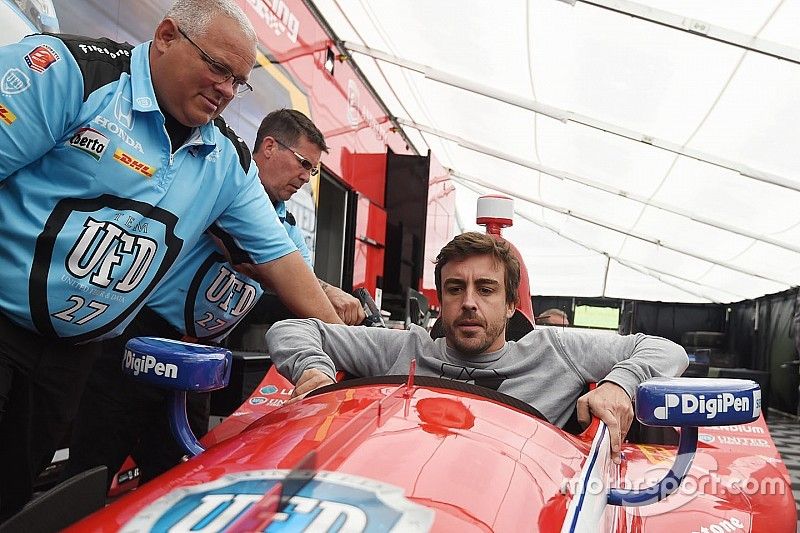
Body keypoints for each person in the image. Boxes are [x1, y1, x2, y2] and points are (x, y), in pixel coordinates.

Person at [0, 0, 343, 519]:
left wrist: (348, 346)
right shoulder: (70, 72)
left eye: (239, 81)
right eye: (218, 67)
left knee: (11, 496)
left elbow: (281, 260)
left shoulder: (227, 161)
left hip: (70, 357)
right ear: (165, 36)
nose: (227, 89)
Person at [66, 109, 363, 488]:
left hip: (201, 362)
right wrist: (338, 319)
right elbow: (264, 263)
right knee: (90, 475)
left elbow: (299, 281)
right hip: (138, 343)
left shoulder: (287, 228)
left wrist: (329, 292)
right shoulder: (221, 185)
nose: (306, 177)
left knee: (175, 485)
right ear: (269, 147)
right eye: (304, 163)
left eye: (313, 170)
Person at [266, 232, 689, 464]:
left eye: (485, 290)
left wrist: (622, 383)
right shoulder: (403, 346)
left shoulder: (556, 349)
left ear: (509, 304)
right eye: (456, 289)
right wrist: (313, 371)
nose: (469, 302)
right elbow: (293, 330)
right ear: (441, 301)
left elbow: (666, 349)